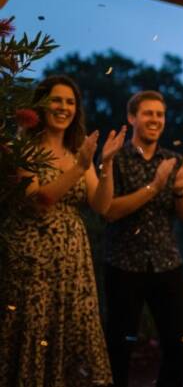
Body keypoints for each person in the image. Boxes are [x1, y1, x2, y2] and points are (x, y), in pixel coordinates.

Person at [0, 75, 125, 386]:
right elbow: (37, 202)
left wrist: (105, 164)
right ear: (41, 105)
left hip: (73, 265)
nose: (64, 107)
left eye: (70, 102)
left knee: (73, 335)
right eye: (57, 100)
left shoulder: (76, 153)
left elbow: (101, 204)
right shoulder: (22, 150)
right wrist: (81, 167)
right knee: (34, 330)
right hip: (32, 260)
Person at [103, 90, 183, 387]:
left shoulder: (173, 159)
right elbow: (110, 211)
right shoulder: (115, 158)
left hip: (167, 264)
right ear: (132, 118)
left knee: (179, 344)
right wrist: (155, 186)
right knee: (119, 348)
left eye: (160, 114)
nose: (155, 119)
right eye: (148, 113)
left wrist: (180, 191)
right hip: (123, 265)